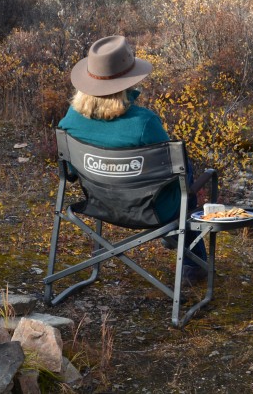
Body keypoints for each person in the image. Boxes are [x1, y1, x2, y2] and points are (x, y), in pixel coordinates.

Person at [58, 34, 207, 285]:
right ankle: (193, 262)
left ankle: (179, 241)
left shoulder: (70, 119)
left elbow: (70, 172)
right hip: (153, 212)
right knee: (185, 176)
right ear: (128, 79)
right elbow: (169, 174)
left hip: (99, 204)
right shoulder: (144, 122)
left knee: (179, 175)